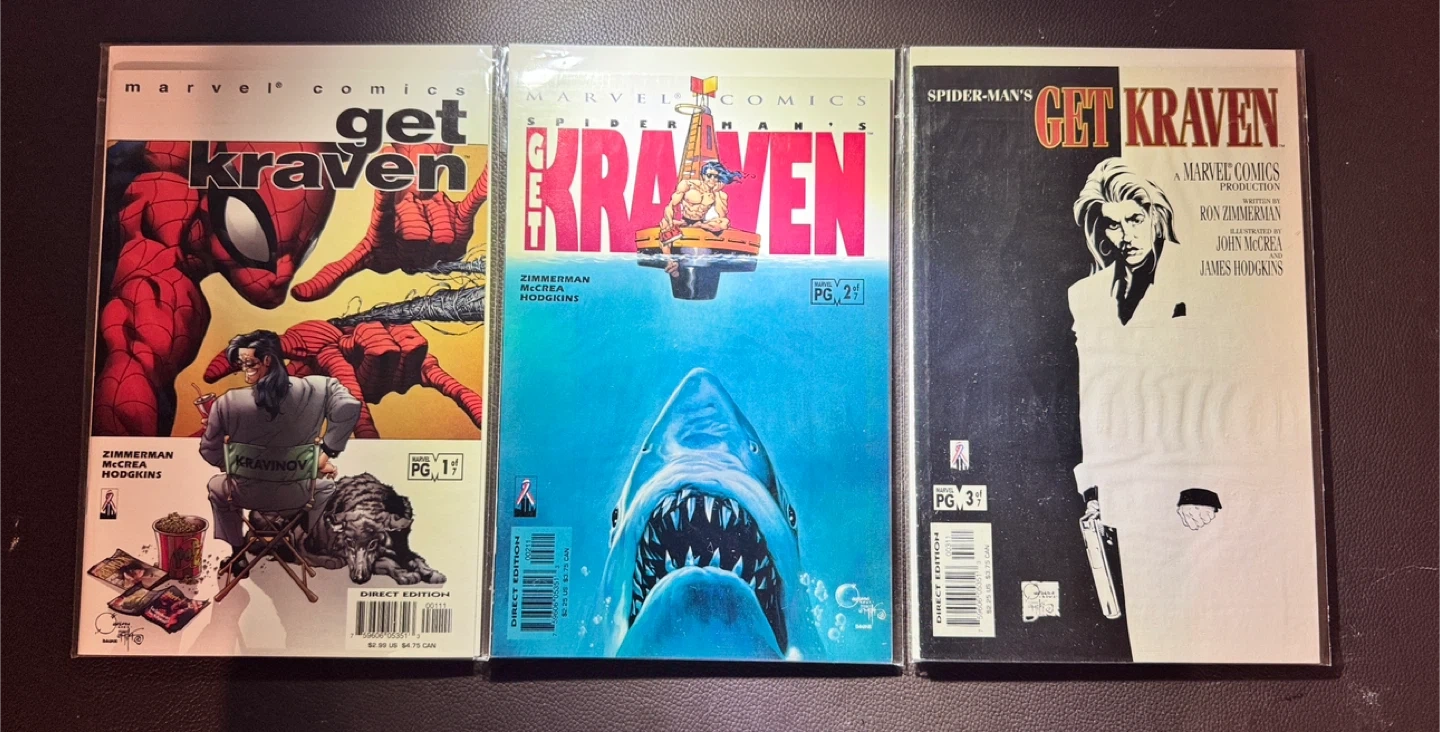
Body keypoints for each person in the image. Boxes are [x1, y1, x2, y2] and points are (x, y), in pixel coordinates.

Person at [1066, 159, 1318, 662]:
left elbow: (1222, 378)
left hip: (1194, 488)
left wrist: (1202, 484)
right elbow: (1092, 393)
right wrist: (1093, 487)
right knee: (1148, 630)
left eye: (1135, 219)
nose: (1125, 235)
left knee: (1209, 622)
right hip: (1124, 485)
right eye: (1112, 224)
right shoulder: (1086, 296)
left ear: (1156, 216)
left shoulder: (1200, 277)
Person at [199, 329, 362, 575]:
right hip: (297, 496)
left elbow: (209, 451)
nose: (243, 369)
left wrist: (237, 464)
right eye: (241, 364)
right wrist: (325, 453)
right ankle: (296, 537)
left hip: (245, 494)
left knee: (216, 487)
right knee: (327, 487)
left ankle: (237, 553)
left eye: (247, 363)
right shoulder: (318, 389)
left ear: (267, 360)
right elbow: (349, 406)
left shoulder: (228, 402)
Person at [658, 160, 742, 276]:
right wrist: (670, 222)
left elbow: (722, 216)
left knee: (725, 222)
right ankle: (670, 262)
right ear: (703, 175)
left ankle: (699, 225)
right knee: (664, 223)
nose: (712, 179)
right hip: (684, 221)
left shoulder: (719, 194)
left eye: (716, 177)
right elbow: (670, 206)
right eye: (709, 175)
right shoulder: (687, 185)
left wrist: (716, 193)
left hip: (701, 223)